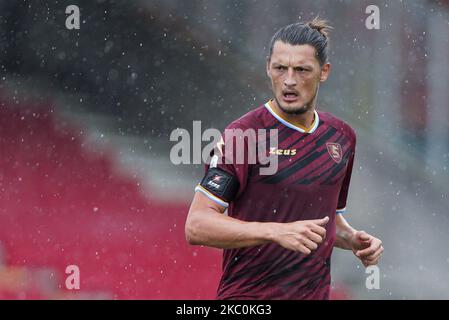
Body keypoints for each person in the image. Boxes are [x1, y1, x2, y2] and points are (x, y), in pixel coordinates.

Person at [185, 17, 383, 300]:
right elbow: (197, 225)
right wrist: (274, 232)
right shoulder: (244, 135)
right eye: (280, 68)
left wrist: (352, 238)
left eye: (302, 70)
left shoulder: (341, 137)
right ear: (268, 68)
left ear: (324, 72)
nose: (289, 80)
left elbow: (327, 220)